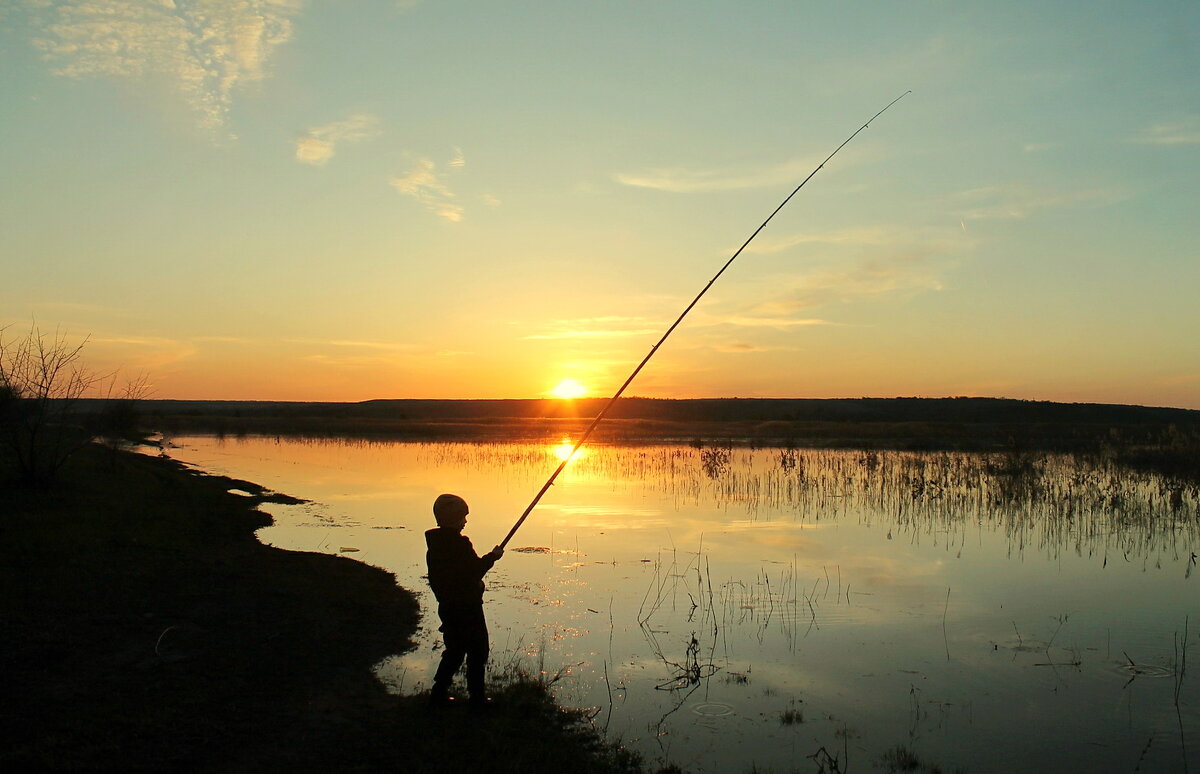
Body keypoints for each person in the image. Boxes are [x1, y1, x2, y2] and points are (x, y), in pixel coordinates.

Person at [425, 493, 504, 708]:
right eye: (463, 517)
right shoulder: (459, 544)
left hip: (448, 608)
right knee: (478, 651)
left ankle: (438, 692)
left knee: (455, 650)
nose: (465, 522)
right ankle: (476, 698)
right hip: (468, 608)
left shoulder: (435, 545)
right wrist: (492, 557)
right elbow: (474, 571)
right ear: (453, 518)